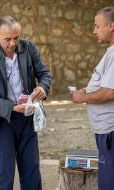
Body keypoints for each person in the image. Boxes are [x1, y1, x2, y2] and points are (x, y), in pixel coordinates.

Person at [0, 16, 52, 190]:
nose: (13, 43)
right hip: (5, 119)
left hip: (28, 116)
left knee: (32, 170)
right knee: (6, 172)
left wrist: (42, 87)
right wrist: (11, 107)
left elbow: (45, 74)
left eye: (16, 38)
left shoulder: (29, 48)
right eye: (8, 39)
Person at [71, 7, 114, 190]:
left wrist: (83, 97)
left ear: (111, 26)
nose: (94, 30)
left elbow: (109, 92)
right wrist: (87, 91)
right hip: (105, 131)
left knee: (108, 183)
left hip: (110, 132)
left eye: (97, 26)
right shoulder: (110, 52)